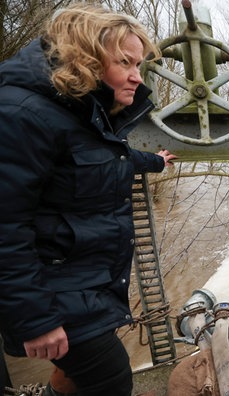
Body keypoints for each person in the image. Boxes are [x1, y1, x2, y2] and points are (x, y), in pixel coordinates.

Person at [0, 4, 177, 395]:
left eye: (140, 64)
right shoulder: (21, 113)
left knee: (80, 377)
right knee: (110, 378)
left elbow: (106, 158)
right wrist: (34, 316)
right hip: (53, 289)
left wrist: (155, 162)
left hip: (84, 283)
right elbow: (5, 226)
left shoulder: (81, 113)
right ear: (87, 59)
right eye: (126, 63)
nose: (137, 76)